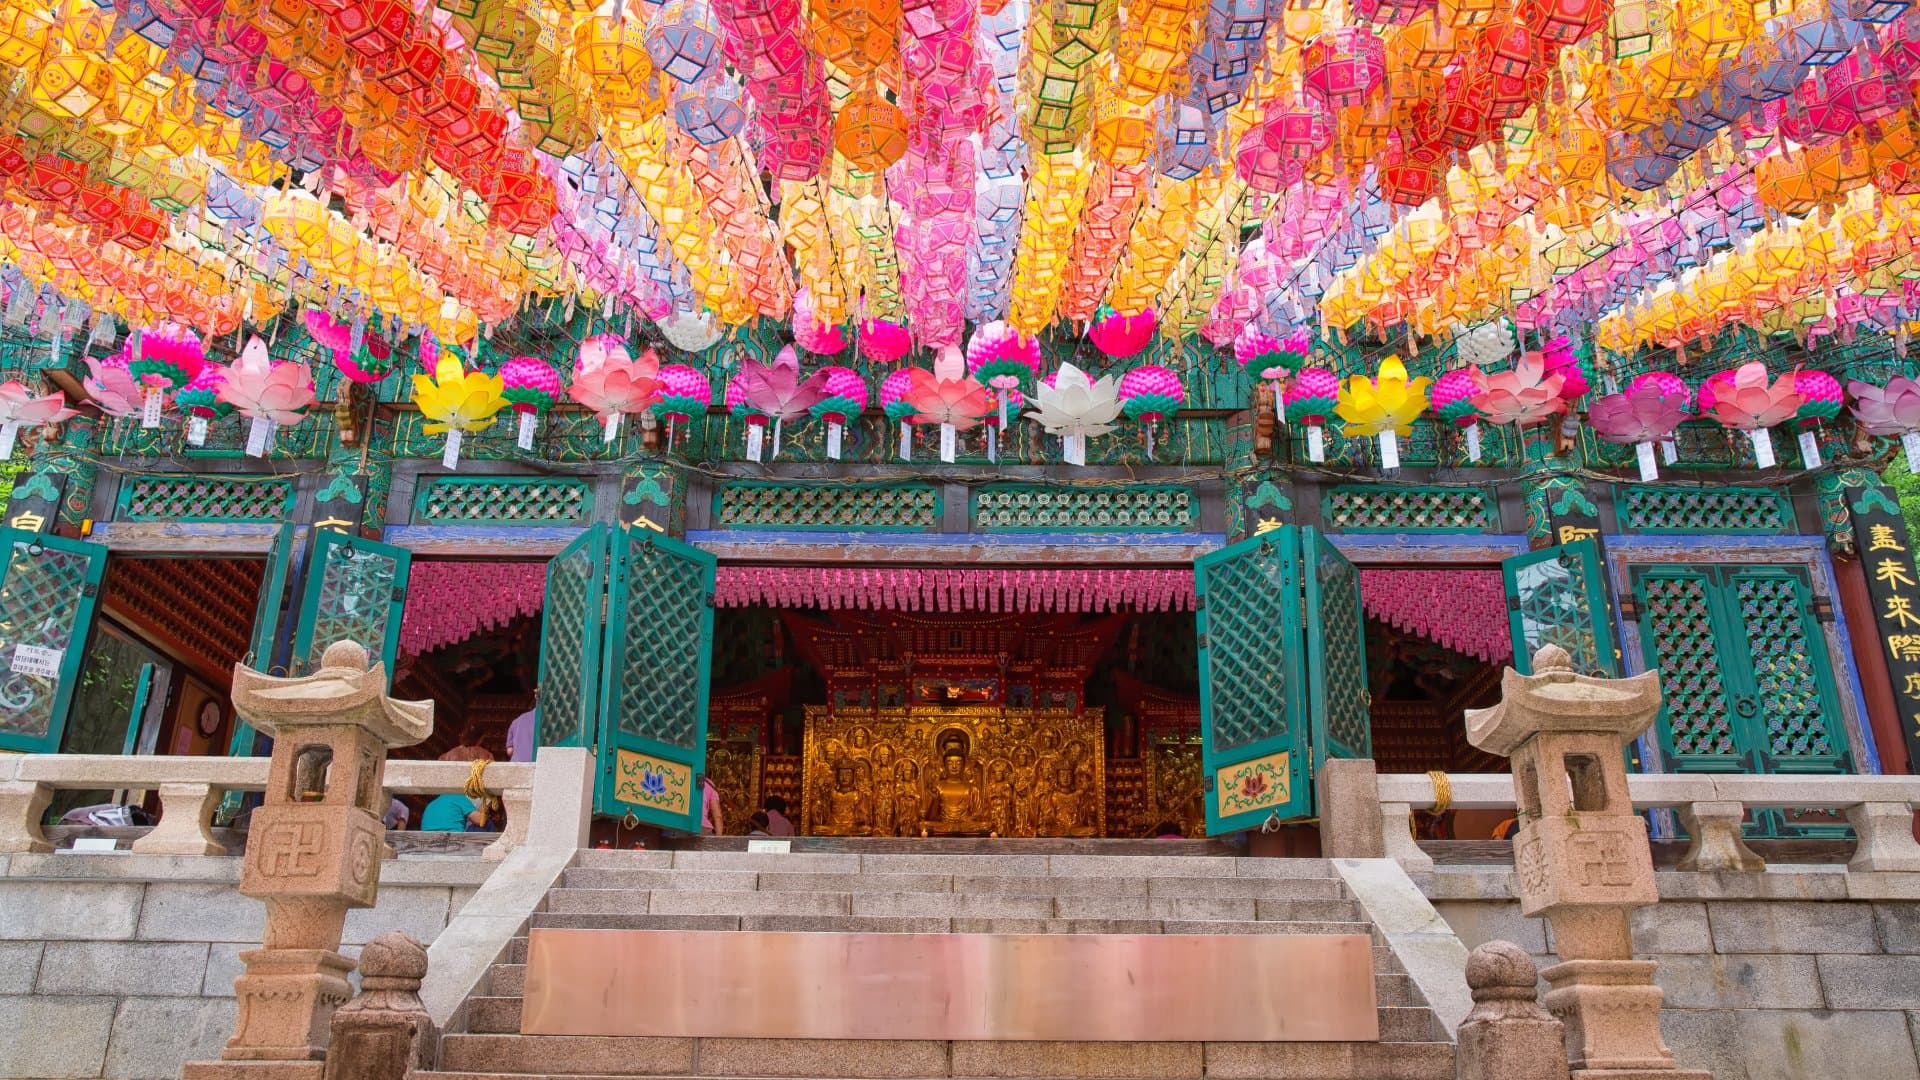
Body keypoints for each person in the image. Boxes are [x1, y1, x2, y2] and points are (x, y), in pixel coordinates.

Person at [422, 745, 494, 832]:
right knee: (487, 824)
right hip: (452, 838)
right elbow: (479, 820)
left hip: (426, 838)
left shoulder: (431, 805)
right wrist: (485, 810)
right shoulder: (459, 797)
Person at [506, 696, 536, 764]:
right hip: (535, 762)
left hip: (516, 763)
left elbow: (510, 751)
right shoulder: (544, 721)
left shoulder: (516, 721)